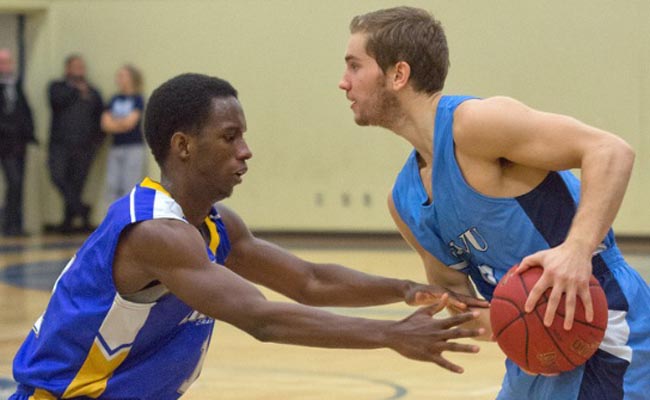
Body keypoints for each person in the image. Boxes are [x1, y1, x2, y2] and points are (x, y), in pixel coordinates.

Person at [10, 73, 487, 399]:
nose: (246, 151)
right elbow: (262, 319)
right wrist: (391, 334)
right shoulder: (157, 232)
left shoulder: (216, 224)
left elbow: (309, 281)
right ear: (183, 146)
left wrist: (406, 290)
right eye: (230, 136)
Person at [338, 6, 650, 400]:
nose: (343, 82)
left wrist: (576, 250)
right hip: (536, 353)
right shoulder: (404, 200)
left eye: (354, 66)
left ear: (398, 74)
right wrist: (490, 321)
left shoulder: (475, 124)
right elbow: (459, 298)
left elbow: (611, 151)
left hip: (605, 323)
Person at [46, 54, 103, 234]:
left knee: (77, 183)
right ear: (67, 69)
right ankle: (82, 210)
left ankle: (68, 223)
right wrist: (75, 89)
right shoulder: (57, 87)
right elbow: (56, 102)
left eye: (81, 66)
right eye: (75, 66)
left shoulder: (92, 92)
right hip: (60, 144)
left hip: (84, 146)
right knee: (58, 177)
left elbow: (100, 116)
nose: (80, 69)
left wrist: (97, 141)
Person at [0, 48, 36, 237]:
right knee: (13, 181)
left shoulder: (16, 85)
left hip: (18, 144)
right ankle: (8, 223)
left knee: (17, 184)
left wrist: (30, 133)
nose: (5, 66)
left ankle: (14, 224)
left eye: (7, 62)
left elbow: (25, 111)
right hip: (4, 142)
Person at [101, 64, 146, 206]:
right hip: (116, 147)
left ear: (132, 78)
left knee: (130, 185)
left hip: (133, 147)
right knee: (112, 185)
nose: (118, 79)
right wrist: (121, 123)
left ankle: (128, 217)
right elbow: (105, 124)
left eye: (122, 76)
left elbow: (130, 123)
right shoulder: (114, 99)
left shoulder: (137, 99)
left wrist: (116, 122)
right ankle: (113, 217)